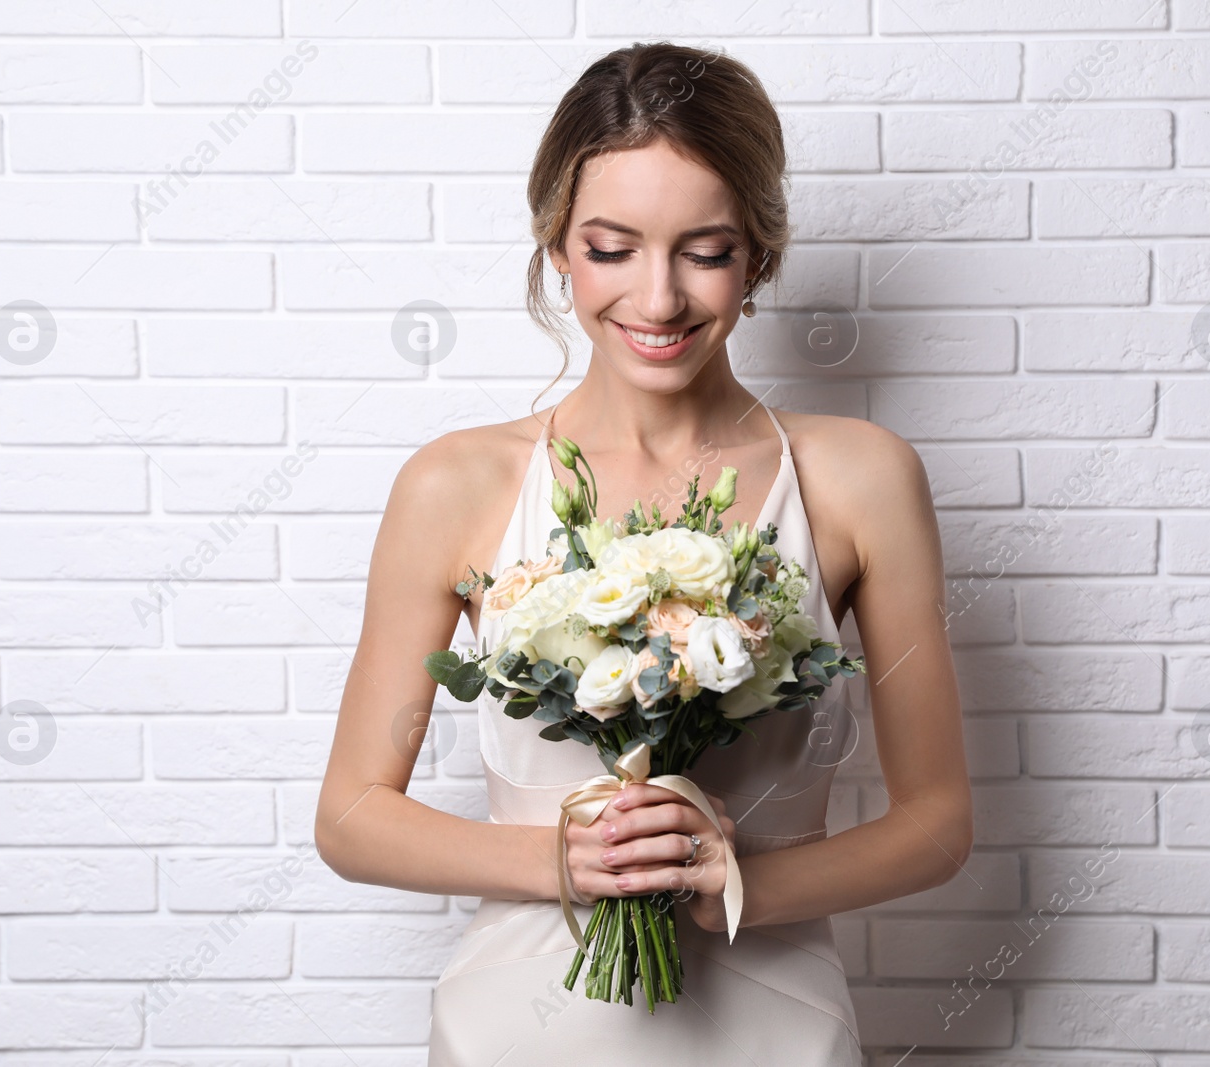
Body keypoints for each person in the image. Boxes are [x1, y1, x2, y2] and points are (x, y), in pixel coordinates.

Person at [314, 41, 971, 1065]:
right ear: (557, 249)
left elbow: (936, 821)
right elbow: (352, 815)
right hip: (514, 1031)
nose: (658, 300)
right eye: (612, 248)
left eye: (704, 251)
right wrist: (561, 859)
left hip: (773, 1025)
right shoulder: (454, 484)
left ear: (758, 253)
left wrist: (740, 878)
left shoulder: (860, 478)